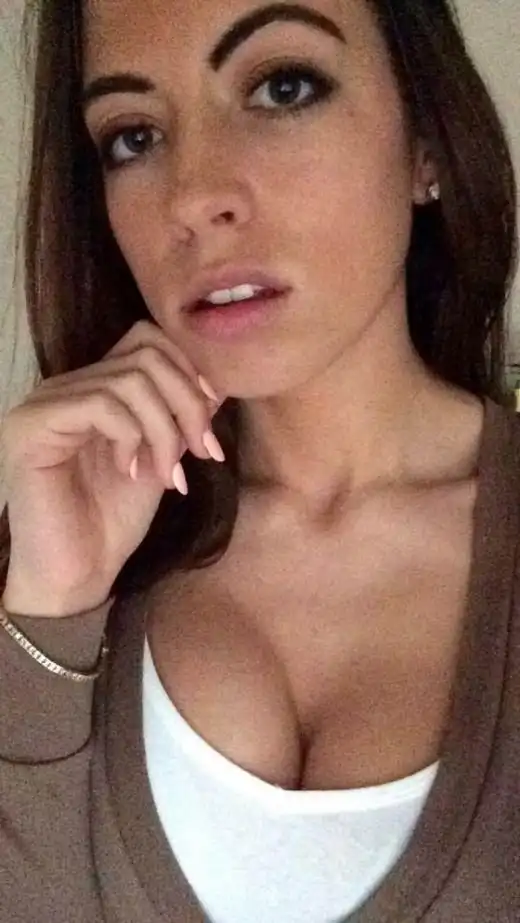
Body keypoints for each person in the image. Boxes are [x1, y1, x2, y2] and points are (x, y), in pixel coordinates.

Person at [0, 0, 518, 920]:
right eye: (133, 137)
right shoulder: (58, 557)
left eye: (284, 88)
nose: (194, 196)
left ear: (427, 144)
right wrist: (50, 607)